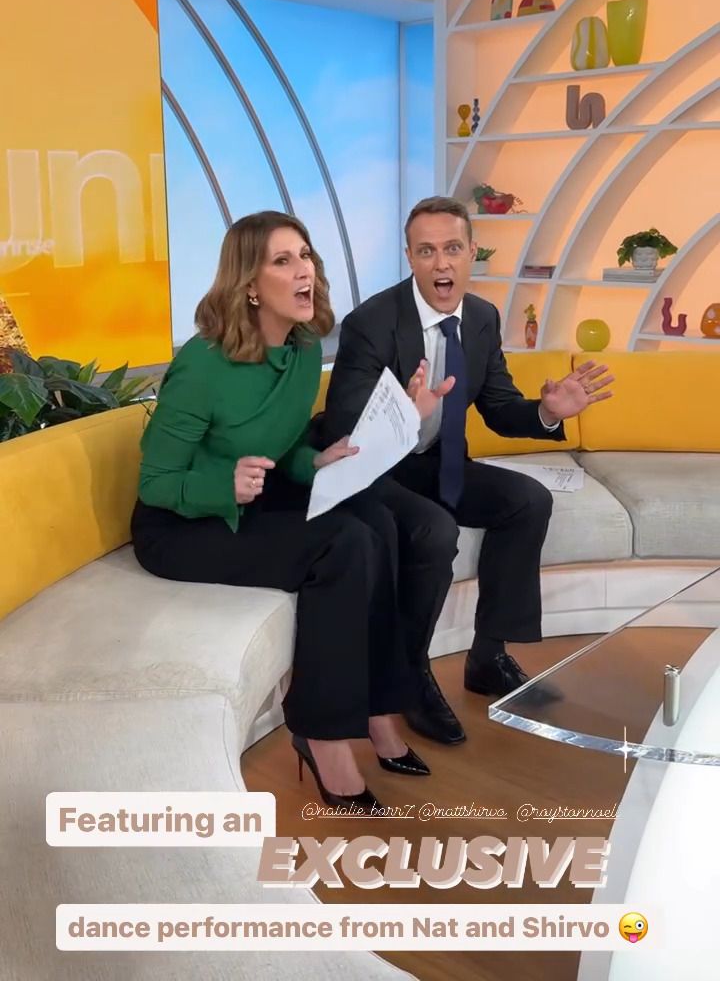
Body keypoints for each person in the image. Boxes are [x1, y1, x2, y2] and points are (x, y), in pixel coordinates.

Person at [131, 211, 430, 813]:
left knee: (378, 522)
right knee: (343, 543)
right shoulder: (202, 365)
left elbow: (282, 447)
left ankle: (377, 709)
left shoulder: (302, 349)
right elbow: (156, 481)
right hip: (183, 526)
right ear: (249, 284)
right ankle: (322, 735)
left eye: (306, 256)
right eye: (283, 260)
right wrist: (222, 485)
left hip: (252, 502)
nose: (304, 271)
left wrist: (316, 461)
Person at [322, 195, 614, 745]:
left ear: (472, 253)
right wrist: (405, 412)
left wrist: (549, 411)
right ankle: (410, 676)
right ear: (410, 257)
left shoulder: (481, 317)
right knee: (435, 531)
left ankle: (487, 656)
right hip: (379, 470)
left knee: (527, 501)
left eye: (453, 248)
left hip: (441, 463)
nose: (441, 263)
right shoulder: (371, 323)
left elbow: (499, 408)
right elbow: (344, 425)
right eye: (427, 251)